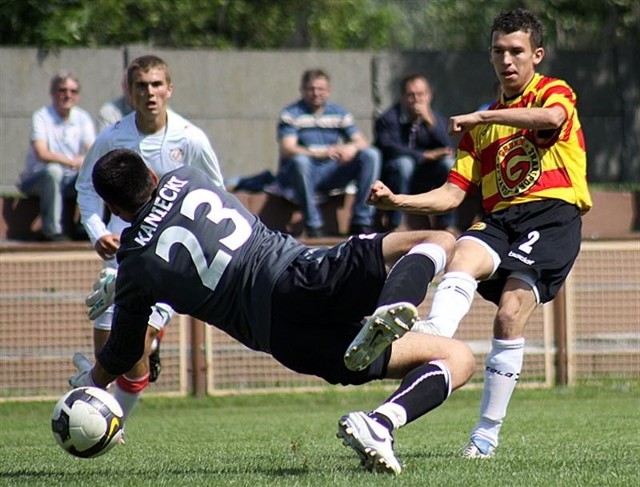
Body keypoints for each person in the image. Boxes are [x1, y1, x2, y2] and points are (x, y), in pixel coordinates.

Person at [69, 148, 476, 475]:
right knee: (437, 238)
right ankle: (391, 308)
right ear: (153, 176)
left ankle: (379, 424)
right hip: (299, 277)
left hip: (284, 339)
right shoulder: (186, 177)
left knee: (457, 356)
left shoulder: (137, 267)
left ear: (116, 211)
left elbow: (123, 351)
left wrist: (90, 380)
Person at [368, 8, 592, 459]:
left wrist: (484, 118)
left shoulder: (552, 91)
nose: (507, 60)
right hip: (501, 219)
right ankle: (435, 332)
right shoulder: (481, 122)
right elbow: (452, 196)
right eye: (498, 51)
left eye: (516, 51)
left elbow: (549, 119)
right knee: (460, 253)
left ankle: (485, 435)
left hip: (552, 216)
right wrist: (399, 202)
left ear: (536, 55)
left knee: (508, 315)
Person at [76, 54, 224, 420]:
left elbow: (215, 192)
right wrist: (98, 233)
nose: (150, 93)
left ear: (169, 89)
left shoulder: (191, 140)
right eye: (141, 85)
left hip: (168, 257)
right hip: (120, 255)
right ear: (129, 92)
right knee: (109, 351)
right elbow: (86, 188)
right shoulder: (113, 138)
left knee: (133, 344)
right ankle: (142, 358)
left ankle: (114, 423)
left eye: (157, 84)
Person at [276, 68, 381, 238]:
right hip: (300, 175)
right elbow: (288, 148)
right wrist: (322, 153)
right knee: (300, 161)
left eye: (321, 89)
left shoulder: (339, 113)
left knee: (371, 155)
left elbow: (361, 141)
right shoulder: (291, 114)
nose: (316, 93)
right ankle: (314, 225)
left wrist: (350, 148)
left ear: (328, 90)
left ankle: (361, 221)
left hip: (331, 172)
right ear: (303, 90)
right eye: (311, 89)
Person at [374, 74, 457, 233]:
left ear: (429, 95)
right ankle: (395, 224)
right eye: (411, 95)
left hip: (425, 174)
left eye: (421, 94)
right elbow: (389, 147)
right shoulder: (389, 118)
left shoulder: (435, 117)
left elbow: (448, 147)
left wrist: (429, 122)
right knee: (404, 164)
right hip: (396, 174)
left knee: (449, 164)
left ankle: (445, 223)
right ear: (403, 97)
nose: (416, 99)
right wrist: (423, 155)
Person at [18, 71, 96, 241]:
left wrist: (84, 160)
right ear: (53, 93)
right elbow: (41, 152)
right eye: (62, 90)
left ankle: (85, 227)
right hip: (37, 179)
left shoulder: (82, 118)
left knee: (92, 171)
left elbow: (93, 150)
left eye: (73, 91)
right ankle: (51, 231)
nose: (68, 95)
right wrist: (70, 162)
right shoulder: (41, 116)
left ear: (78, 95)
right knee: (54, 171)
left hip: (69, 180)